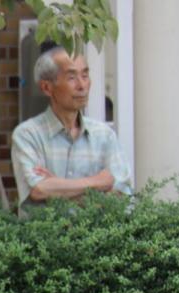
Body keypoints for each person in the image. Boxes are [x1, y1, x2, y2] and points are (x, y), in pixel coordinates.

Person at [11, 46, 132, 212]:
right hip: (47, 237)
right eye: (72, 77)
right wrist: (98, 182)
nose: (82, 85)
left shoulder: (104, 135)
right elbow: (38, 190)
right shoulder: (28, 135)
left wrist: (58, 187)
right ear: (47, 87)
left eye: (85, 75)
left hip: (98, 237)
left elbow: (123, 198)